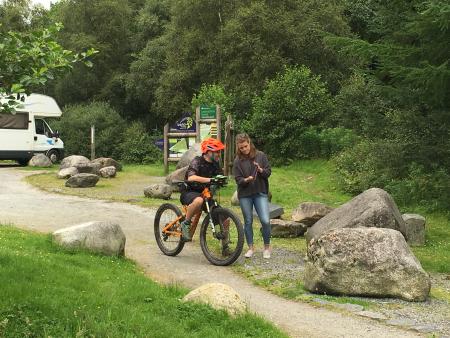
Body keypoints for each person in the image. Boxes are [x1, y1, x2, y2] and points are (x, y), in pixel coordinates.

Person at [233, 133, 272, 259]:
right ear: (238, 148)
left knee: (265, 221)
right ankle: (250, 248)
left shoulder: (261, 155)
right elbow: (238, 180)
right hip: (245, 195)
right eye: (241, 148)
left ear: (249, 142)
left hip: (260, 192)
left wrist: (261, 171)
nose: (244, 149)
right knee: (248, 221)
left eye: (245, 146)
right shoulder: (237, 161)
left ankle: (266, 247)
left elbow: (268, 172)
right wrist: (246, 180)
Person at [179, 137, 225, 241]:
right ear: (208, 152)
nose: (219, 154)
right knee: (199, 200)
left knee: (225, 217)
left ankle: (225, 246)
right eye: (216, 151)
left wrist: (221, 181)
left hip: (205, 194)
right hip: (189, 192)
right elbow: (191, 177)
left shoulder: (215, 164)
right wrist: (210, 180)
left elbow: (219, 176)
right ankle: (185, 223)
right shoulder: (197, 161)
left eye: (219, 151)